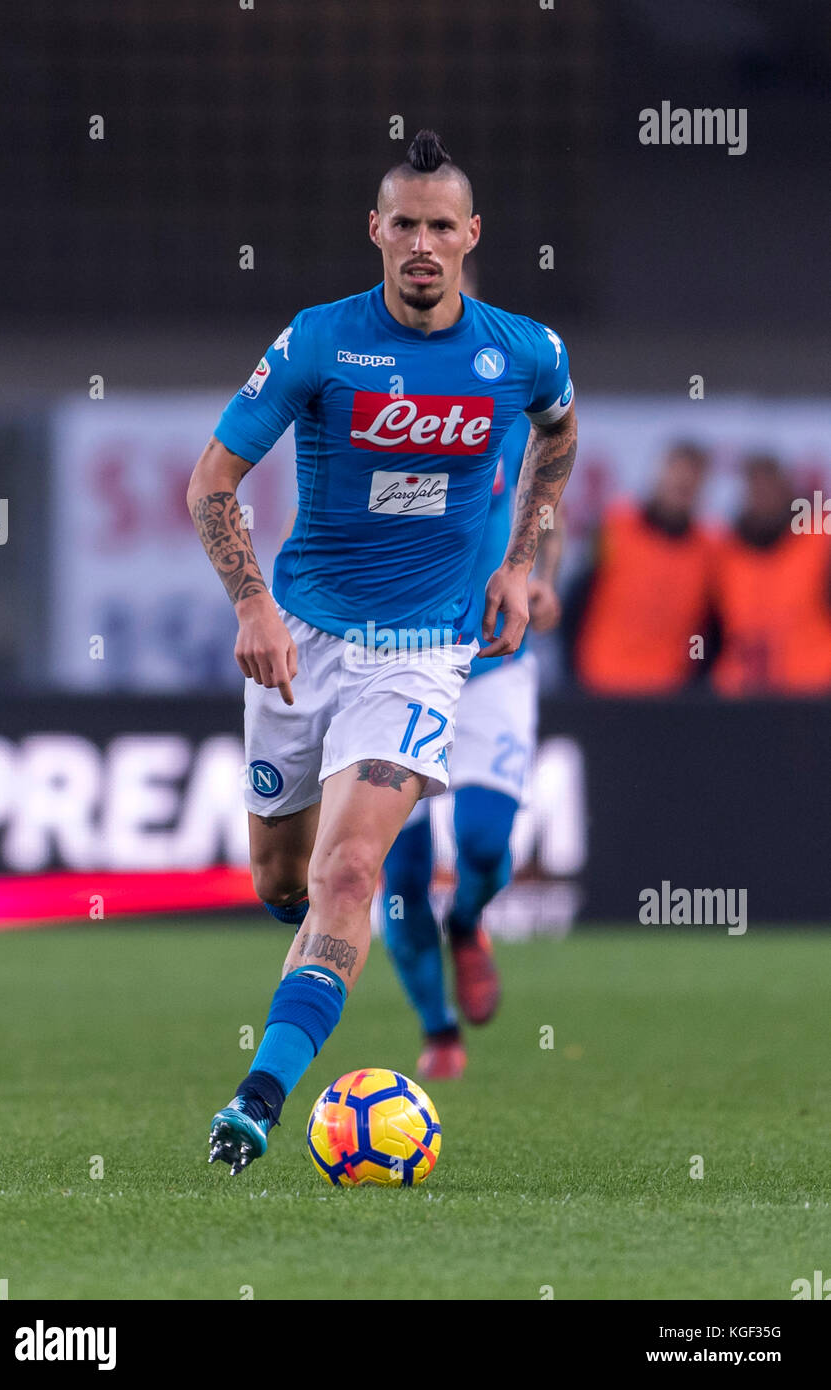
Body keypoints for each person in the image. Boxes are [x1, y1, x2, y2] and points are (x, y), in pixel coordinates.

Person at [186, 129, 577, 1174]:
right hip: (302, 642)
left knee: (349, 870)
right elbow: (210, 486)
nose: (420, 243)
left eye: (439, 226)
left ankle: (258, 1100)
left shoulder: (522, 349)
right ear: (374, 230)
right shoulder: (319, 341)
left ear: (469, 236)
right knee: (281, 879)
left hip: (421, 652)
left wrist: (519, 560)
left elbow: (559, 433)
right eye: (401, 223)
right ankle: (309, 965)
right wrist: (253, 607)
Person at [381, 406, 564, 1080]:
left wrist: (544, 582)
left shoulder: (514, 413)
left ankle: (466, 920)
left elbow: (548, 511)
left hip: (491, 667)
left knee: (485, 842)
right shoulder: (376, 410)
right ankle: (439, 1029)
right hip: (395, 669)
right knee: (401, 874)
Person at [570, 442, 717, 694]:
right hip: (601, 680)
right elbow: (577, 599)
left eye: (691, 481)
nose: (683, 486)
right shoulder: (616, 526)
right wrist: (571, 676)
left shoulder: (709, 549)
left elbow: (712, 628)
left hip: (668, 690)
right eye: (677, 476)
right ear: (660, 475)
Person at [712, 454, 831, 696]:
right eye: (755, 488)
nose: (763, 497)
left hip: (813, 688)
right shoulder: (725, 552)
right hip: (742, 691)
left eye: (770, 487)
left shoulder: (819, 542)